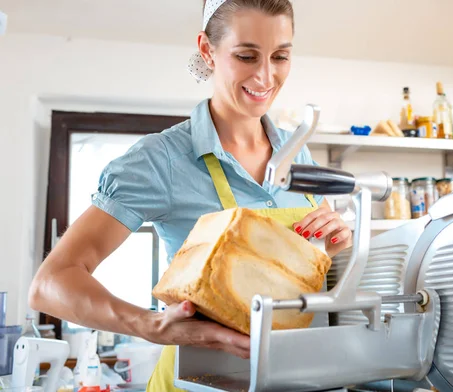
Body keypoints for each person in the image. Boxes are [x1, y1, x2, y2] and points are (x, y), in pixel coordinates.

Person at [28, 0, 352, 390]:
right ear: (206, 50)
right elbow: (50, 284)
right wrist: (151, 325)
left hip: (295, 379)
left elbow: (301, 270)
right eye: (247, 56)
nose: (266, 76)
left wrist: (331, 241)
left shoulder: (296, 151)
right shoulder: (161, 159)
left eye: (280, 56)